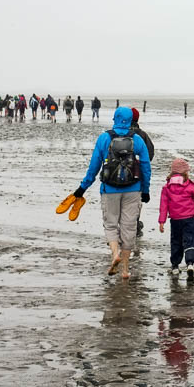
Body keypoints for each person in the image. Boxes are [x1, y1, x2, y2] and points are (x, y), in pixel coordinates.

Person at [71, 107, 151, 280]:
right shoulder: (137, 140)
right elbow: (145, 166)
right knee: (129, 227)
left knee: (111, 224)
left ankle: (115, 254)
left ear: (115, 118)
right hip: (133, 190)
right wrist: (146, 190)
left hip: (109, 190)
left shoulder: (104, 138)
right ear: (130, 120)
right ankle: (125, 270)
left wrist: (82, 188)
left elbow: (94, 167)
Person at [158, 157, 194, 282]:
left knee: (176, 241)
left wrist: (161, 221)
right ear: (186, 172)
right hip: (189, 219)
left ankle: (175, 266)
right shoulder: (190, 185)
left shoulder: (167, 188)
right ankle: (190, 263)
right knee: (189, 240)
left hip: (175, 219)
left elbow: (163, 205)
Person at [130, 108, 155, 236]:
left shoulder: (117, 133)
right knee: (137, 201)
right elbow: (150, 153)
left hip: (118, 175)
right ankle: (135, 223)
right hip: (138, 174)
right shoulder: (143, 135)